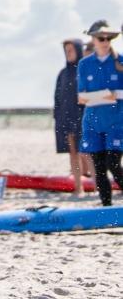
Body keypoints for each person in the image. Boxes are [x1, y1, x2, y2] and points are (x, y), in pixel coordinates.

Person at [77, 21, 123, 207]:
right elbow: (81, 97)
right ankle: (106, 207)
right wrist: (108, 95)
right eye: (101, 38)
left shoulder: (120, 61)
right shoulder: (84, 64)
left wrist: (113, 95)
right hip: (93, 123)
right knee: (100, 169)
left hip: (117, 122)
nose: (105, 41)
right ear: (93, 40)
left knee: (113, 163)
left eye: (108, 38)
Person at [56, 38, 91, 194]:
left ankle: (96, 185)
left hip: (84, 117)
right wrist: (58, 118)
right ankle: (78, 187)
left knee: (87, 153)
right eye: (66, 50)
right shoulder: (63, 74)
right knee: (73, 153)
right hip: (67, 119)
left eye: (71, 50)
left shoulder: (85, 70)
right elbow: (57, 98)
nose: (69, 53)